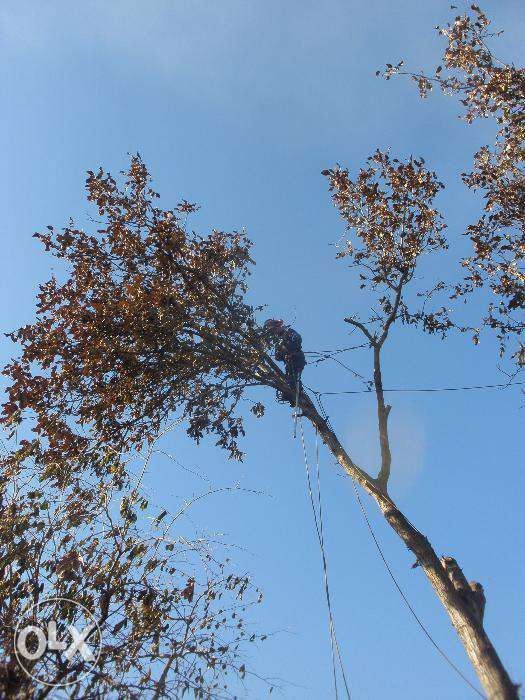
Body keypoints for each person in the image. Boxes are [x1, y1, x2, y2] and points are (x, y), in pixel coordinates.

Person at [263, 319, 306, 392]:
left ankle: (298, 392)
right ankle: (292, 392)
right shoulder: (278, 341)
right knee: (288, 380)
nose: (274, 333)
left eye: (274, 330)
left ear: (277, 326)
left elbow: (298, 339)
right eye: (272, 332)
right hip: (289, 363)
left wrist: (289, 350)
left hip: (297, 357)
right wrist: (281, 352)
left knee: (293, 380)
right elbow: (277, 357)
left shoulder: (288, 332)